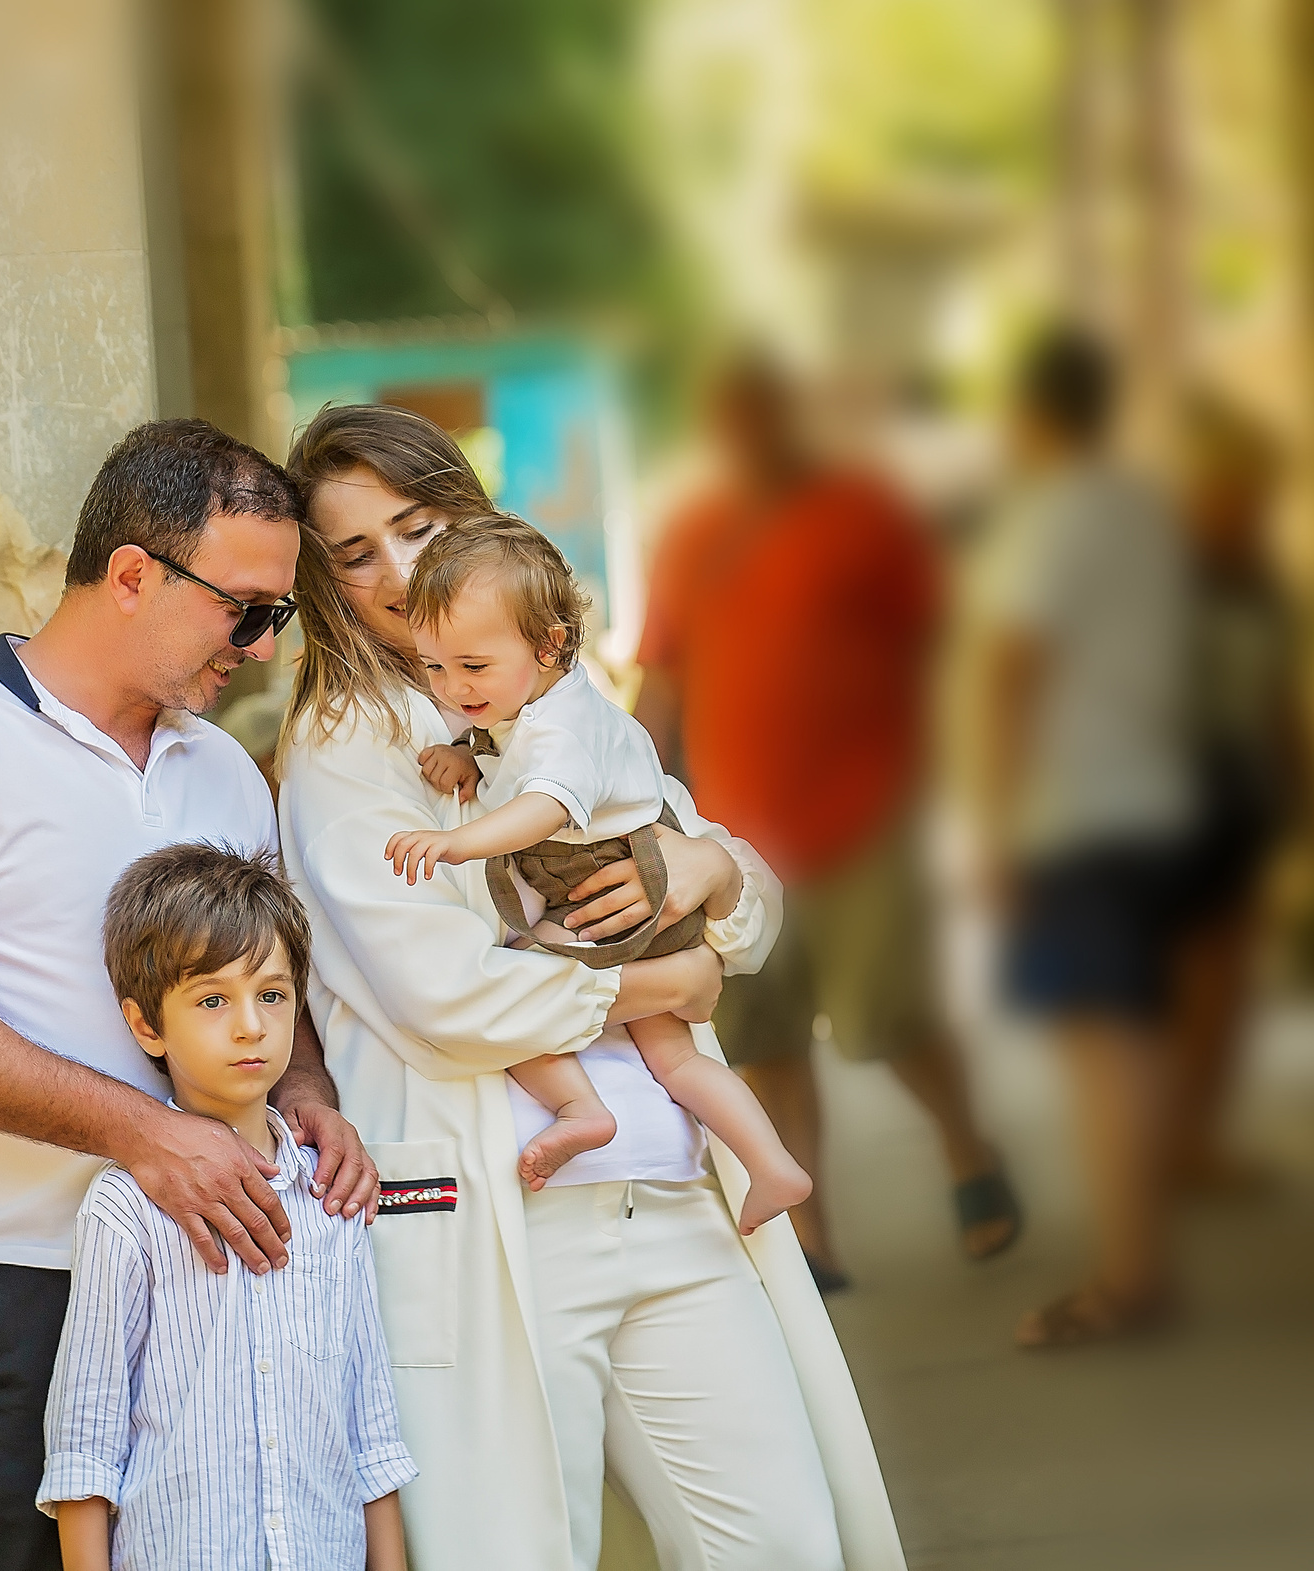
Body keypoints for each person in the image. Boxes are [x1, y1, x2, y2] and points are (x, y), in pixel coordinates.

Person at [274, 402, 902, 1571]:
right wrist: (674, 976)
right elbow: (445, 998)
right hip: (504, 1220)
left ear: (471, 517)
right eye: (355, 552)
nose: (399, 569)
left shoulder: (551, 695)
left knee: (782, 1547)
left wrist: (711, 875)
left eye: (419, 525)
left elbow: (728, 877)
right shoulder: (346, 744)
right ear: (322, 581)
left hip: (670, 1200)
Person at [0, 420, 376, 1571]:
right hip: (17, 1292)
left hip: (223, 1294)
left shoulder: (226, 769)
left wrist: (312, 1091)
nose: (264, 649)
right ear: (133, 574)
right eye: (248, 610)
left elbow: (273, 984)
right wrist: (148, 1136)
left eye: (275, 616)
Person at [637, 353, 1017, 1287]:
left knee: (889, 1017)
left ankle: (970, 1148)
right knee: (764, 1033)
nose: (748, 436)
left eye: (763, 414)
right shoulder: (695, 533)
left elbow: (936, 654)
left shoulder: (864, 516)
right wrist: (641, 800)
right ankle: (813, 1237)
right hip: (735, 833)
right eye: (730, 420)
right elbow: (664, 675)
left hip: (862, 817)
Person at [383, 513, 811, 1232]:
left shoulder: (567, 728)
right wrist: (468, 753)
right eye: (434, 668)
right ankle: (773, 1164)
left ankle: (582, 1109)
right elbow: (502, 745)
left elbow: (542, 808)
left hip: (611, 886)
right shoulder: (537, 701)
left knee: (514, 991)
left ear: (550, 645)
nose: (453, 688)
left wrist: (457, 842)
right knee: (676, 1060)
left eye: (472, 667)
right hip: (641, 893)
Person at [40, 843, 414, 1571]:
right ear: (147, 1025)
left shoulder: (329, 1193)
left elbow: (372, 1423)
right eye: (213, 999)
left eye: (272, 995)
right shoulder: (126, 1210)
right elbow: (86, 1444)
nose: (251, 1025)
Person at [974, 328, 1194, 1349]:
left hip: (1073, 810)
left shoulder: (1049, 519)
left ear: (1034, 414)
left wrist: (993, 824)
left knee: (1100, 1051)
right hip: (1149, 799)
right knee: (1133, 1040)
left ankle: (1128, 1275)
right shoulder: (1140, 510)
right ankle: (1140, 1259)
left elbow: (1015, 669)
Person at [1166, 392, 1305, 1197]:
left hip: (1239, 786)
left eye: (1256, 492)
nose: (1246, 505)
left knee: (1230, 977)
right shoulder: (1169, 579)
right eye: (1232, 490)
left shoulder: (1260, 585)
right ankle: (1174, 1139)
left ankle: (1199, 1136)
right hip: (1172, 794)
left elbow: (1284, 700)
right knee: (1185, 981)